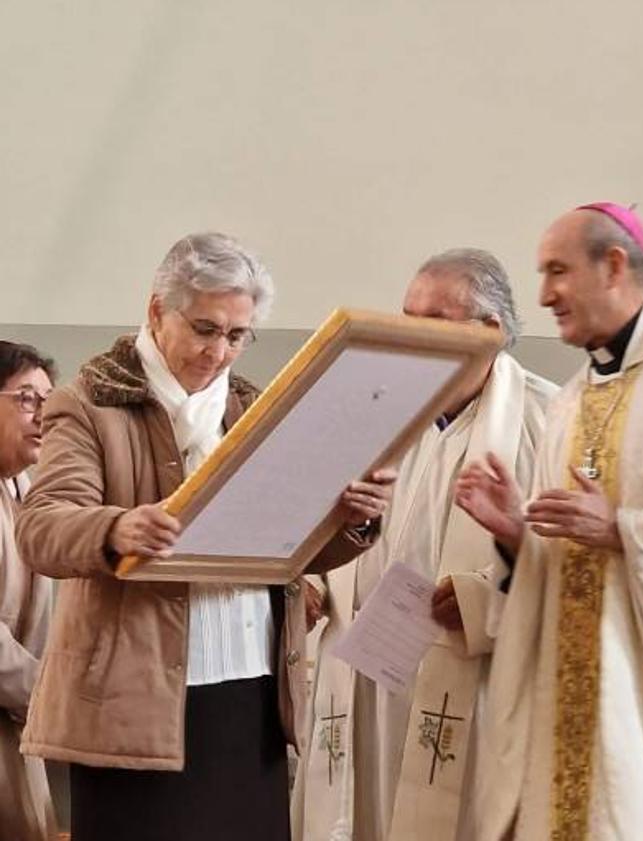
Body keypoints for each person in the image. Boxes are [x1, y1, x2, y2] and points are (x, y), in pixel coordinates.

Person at [15, 232, 396, 841]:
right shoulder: (88, 404)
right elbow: (41, 526)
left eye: (236, 335)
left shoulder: (254, 408)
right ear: (156, 311)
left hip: (251, 695)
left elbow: (284, 552)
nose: (218, 352)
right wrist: (116, 526)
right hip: (131, 708)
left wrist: (350, 520)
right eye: (204, 328)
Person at [456, 203, 643, 840]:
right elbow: (564, 560)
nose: (544, 295)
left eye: (557, 272)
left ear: (614, 265)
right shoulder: (570, 400)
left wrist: (625, 527)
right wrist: (516, 532)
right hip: (558, 708)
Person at [292, 249, 557, 841]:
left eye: (431, 320)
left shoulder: (547, 421)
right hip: (360, 677)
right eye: (406, 316)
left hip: (467, 680)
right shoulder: (371, 413)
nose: (408, 337)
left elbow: (573, 568)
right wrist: (312, 578)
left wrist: (485, 600)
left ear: (490, 332)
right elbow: (325, 521)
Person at [0, 341, 57, 841]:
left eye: (48, 399)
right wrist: (57, 693)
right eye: (25, 399)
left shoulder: (27, 491)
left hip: (17, 723)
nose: (43, 414)